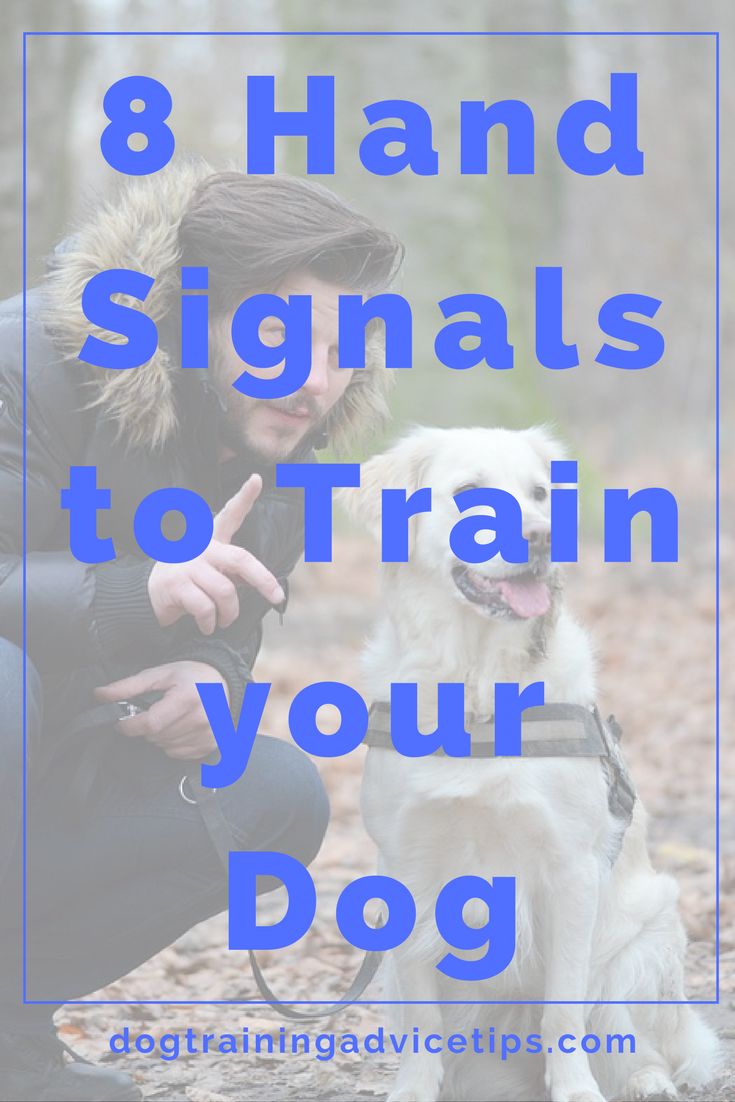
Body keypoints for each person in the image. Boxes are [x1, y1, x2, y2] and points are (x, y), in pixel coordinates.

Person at [0, 162, 402, 1100]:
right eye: (275, 337)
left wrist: (211, 678)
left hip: (63, 768)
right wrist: (135, 593)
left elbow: (230, 631)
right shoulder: (27, 367)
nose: (312, 382)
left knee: (276, 795)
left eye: (339, 349)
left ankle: (12, 1039)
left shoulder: (277, 457)